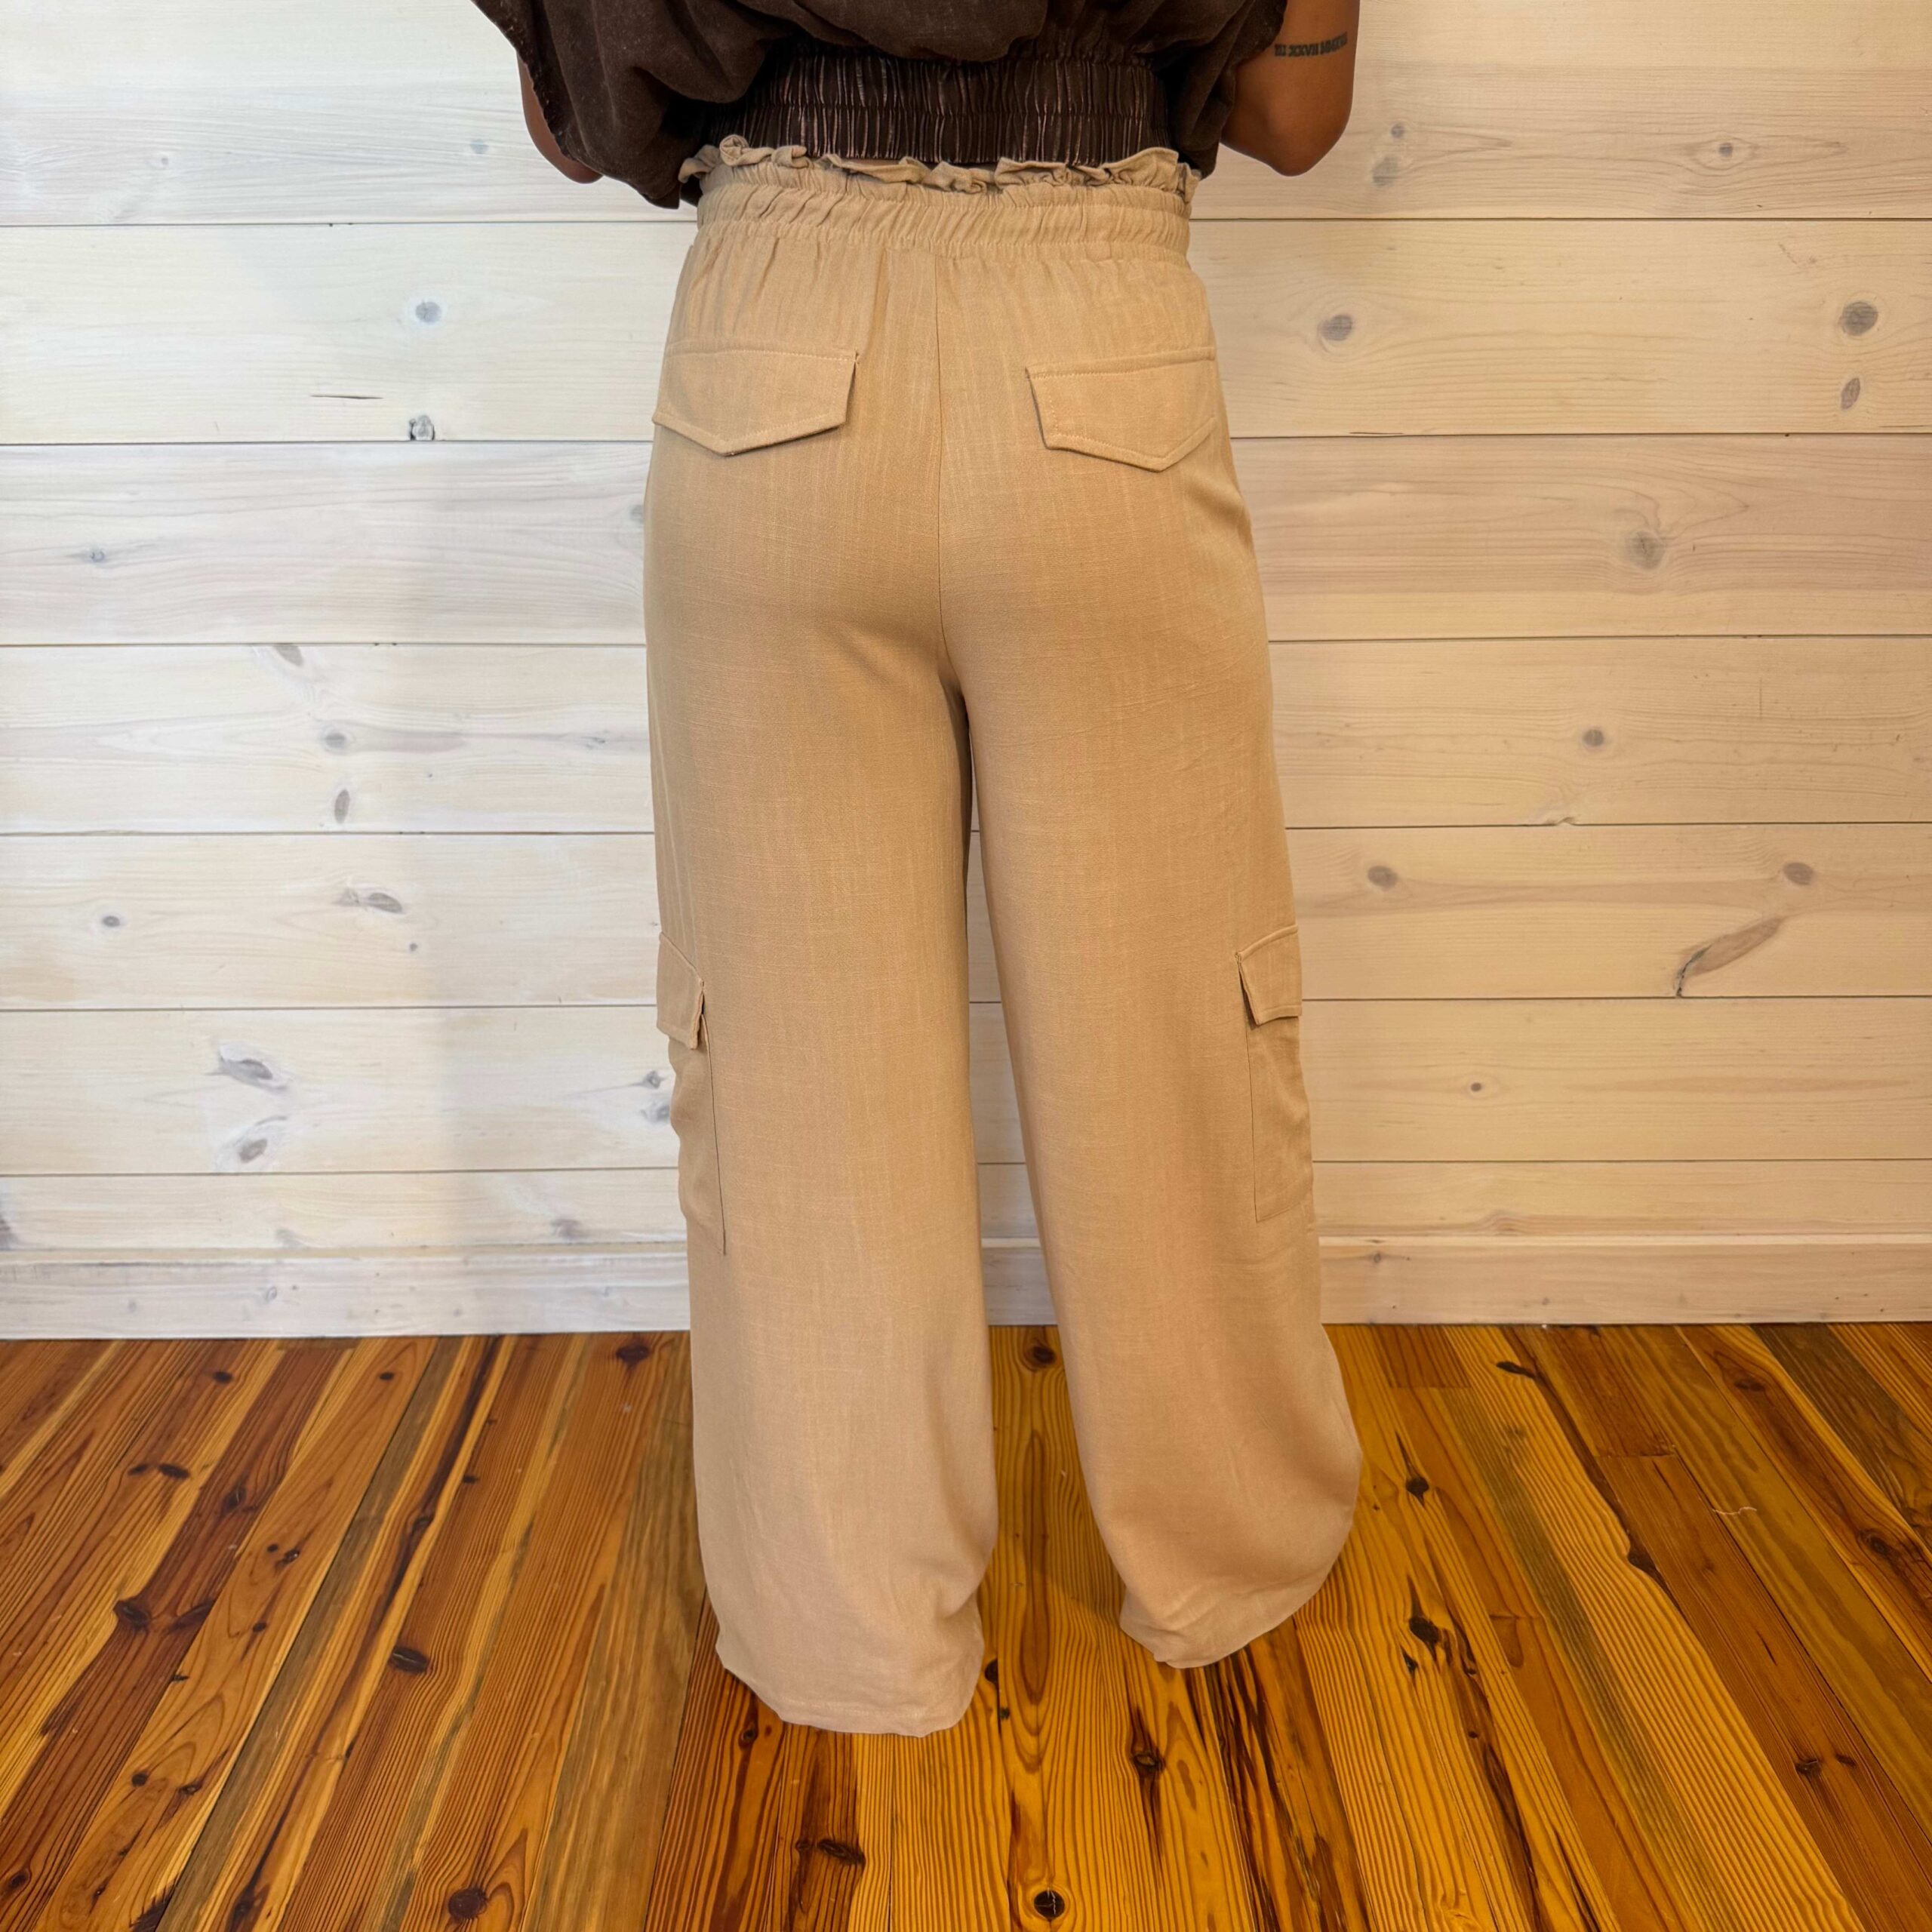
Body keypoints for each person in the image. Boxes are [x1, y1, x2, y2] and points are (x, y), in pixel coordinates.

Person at [469, 0, 1365, 1737]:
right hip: (1096, 328)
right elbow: (1293, 116)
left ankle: (843, 1627)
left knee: (794, 1075)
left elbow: (579, 122)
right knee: (1170, 1031)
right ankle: (1225, 1553)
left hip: (776, 347)